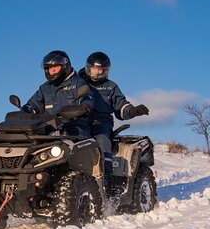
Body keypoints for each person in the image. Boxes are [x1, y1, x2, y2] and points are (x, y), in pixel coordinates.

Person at [78, 51, 149, 191]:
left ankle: (107, 181)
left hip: (101, 122)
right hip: (79, 121)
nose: (98, 73)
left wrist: (133, 110)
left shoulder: (110, 86)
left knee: (102, 141)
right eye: (95, 69)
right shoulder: (77, 82)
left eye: (102, 70)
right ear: (88, 68)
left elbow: (121, 105)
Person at [22, 50, 94, 137]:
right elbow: (33, 105)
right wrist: (24, 111)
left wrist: (84, 106)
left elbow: (86, 98)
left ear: (65, 66)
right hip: (49, 128)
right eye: (49, 68)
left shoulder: (78, 83)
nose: (52, 70)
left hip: (74, 127)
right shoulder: (45, 88)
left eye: (56, 66)